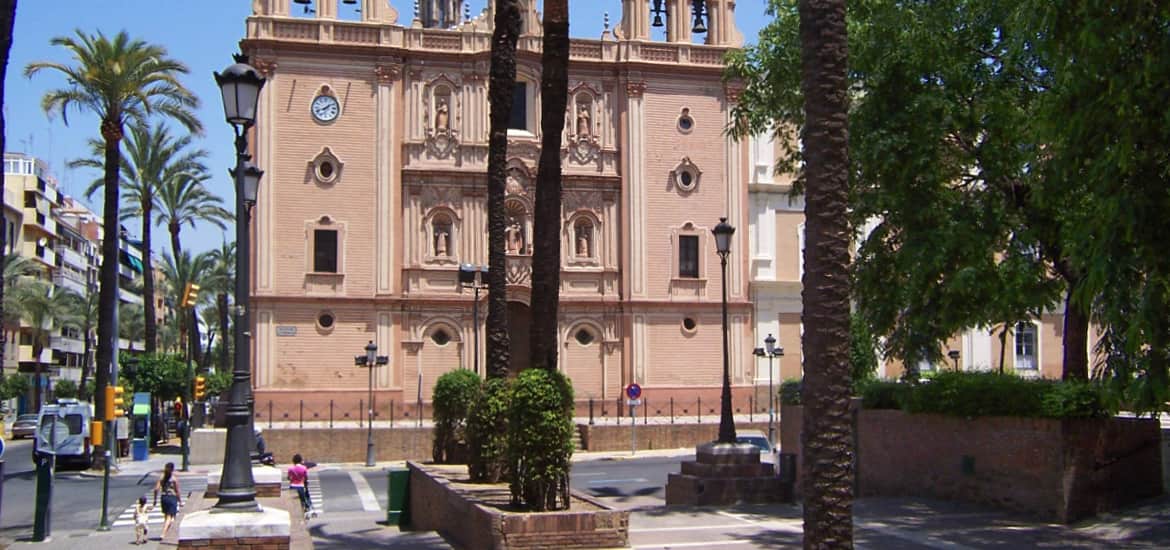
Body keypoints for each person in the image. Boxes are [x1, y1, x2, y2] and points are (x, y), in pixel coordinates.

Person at [152, 462, 182, 539]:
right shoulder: (174, 479)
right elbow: (177, 491)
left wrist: (155, 500)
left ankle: (168, 533)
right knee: (170, 517)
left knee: (166, 516)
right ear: (172, 469)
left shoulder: (161, 478)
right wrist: (180, 501)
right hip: (172, 497)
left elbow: (156, 489)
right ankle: (164, 533)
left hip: (164, 497)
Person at [289, 453, 316, 519]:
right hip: (301, 486)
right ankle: (307, 512)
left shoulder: (290, 469)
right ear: (300, 460)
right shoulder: (304, 468)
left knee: (293, 501)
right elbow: (305, 477)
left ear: (293, 461)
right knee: (303, 500)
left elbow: (289, 478)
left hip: (292, 486)